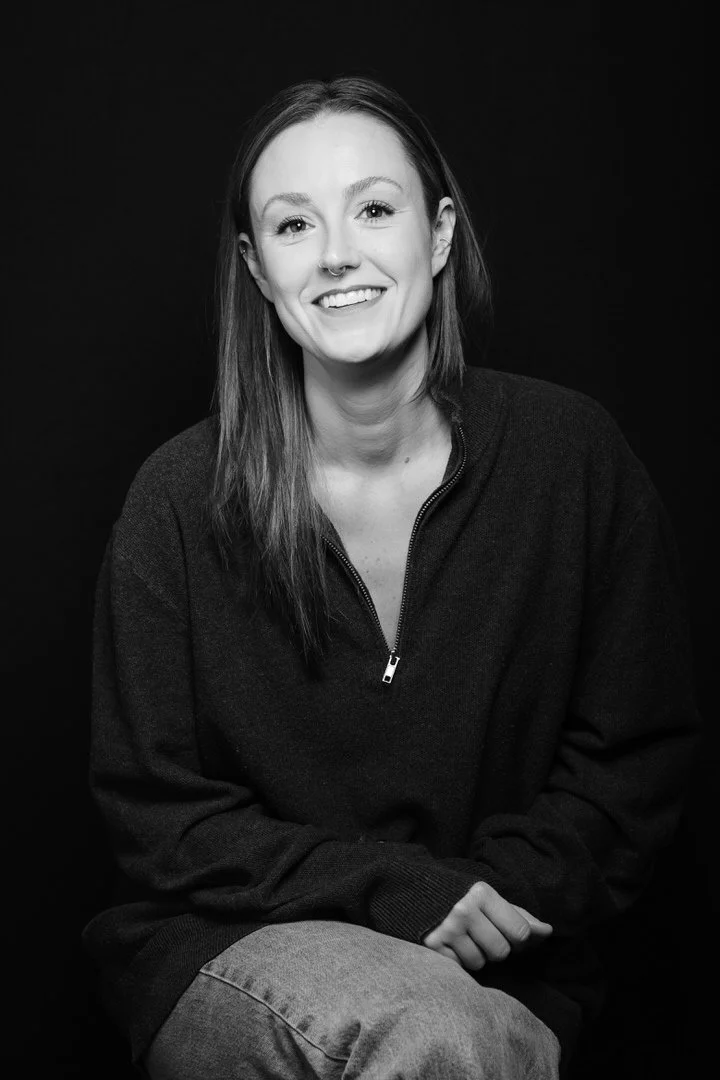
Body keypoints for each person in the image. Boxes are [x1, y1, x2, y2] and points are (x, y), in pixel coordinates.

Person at [83, 76, 700, 1080]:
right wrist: (405, 895)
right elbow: (156, 813)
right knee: (436, 1032)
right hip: (231, 948)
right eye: (294, 225)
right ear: (258, 267)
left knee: (463, 1031)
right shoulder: (177, 499)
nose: (336, 253)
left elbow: (633, 759)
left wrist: (492, 904)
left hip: (510, 972)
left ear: (440, 235)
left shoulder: (573, 460)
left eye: (373, 209)